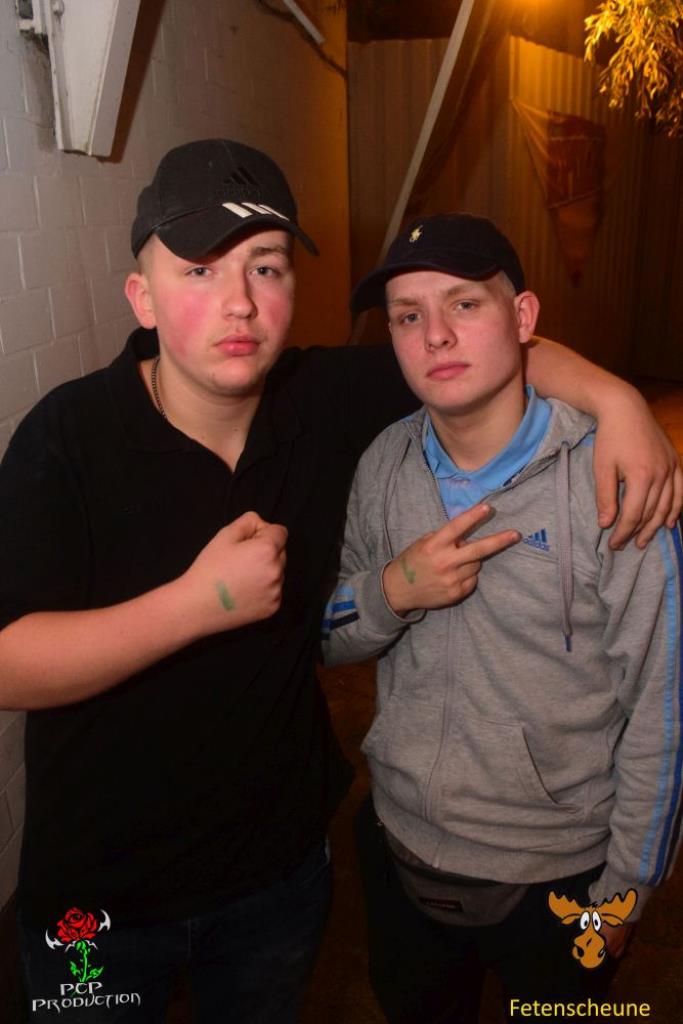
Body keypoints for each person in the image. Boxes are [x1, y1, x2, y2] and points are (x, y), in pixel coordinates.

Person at [0, 141, 679, 1024]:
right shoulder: (68, 436)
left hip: (275, 880)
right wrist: (199, 603)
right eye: (198, 270)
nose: (239, 301)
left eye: (265, 266)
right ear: (143, 297)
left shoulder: (326, 399)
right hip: (101, 899)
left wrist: (619, 403)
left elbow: (480, 348)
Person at [321, 213, 683, 1023]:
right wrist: (392, 591)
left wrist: (625, 893)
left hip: (557, 875)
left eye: (464, 304)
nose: (435, 335)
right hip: (399, 844)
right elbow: (327, 638)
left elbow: (665, 706)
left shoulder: (615, 483)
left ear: (522, 317)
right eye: (407, 316)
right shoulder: (382, 463)